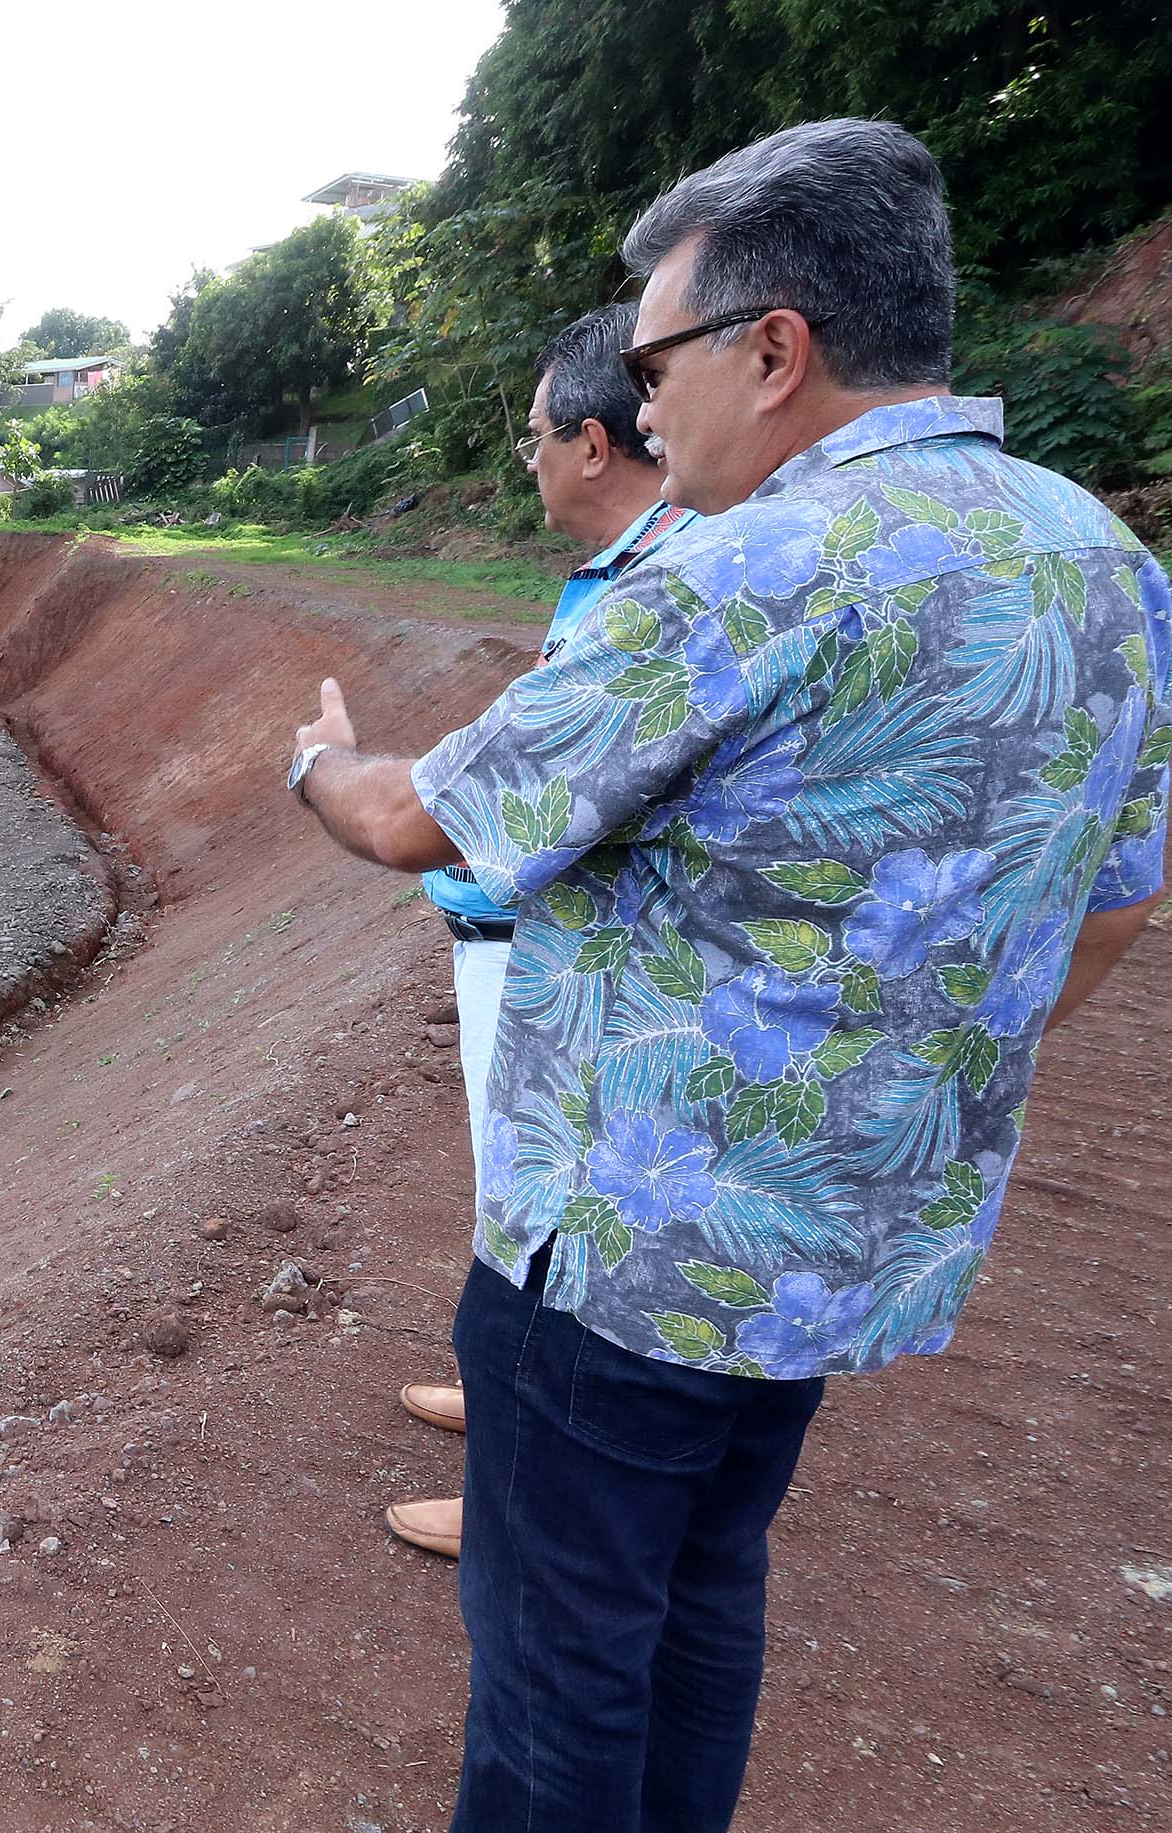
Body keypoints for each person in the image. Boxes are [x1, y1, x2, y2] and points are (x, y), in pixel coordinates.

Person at [283, 117, 1172, 1831]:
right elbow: (1119, 905)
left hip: (626, 1258)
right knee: (704, 1591)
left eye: (653, 363)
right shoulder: (1101, 563)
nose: (642, 406)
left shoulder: (739, 571)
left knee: (557, 1658)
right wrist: (890, 1070)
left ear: (773, 352)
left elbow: (414, 821)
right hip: (838, 1250)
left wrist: (314, 764)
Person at [389, 303, 698, 1563]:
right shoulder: (631, 576)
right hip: (530, 947)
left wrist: (332, 774)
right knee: (511, 1197)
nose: (528, 462)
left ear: (590, 441)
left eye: (533, 438)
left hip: (566, 966)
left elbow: (506, 805)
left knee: (551, 1220)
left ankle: (519, 1497)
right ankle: (504, 1401)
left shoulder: (664, 591)